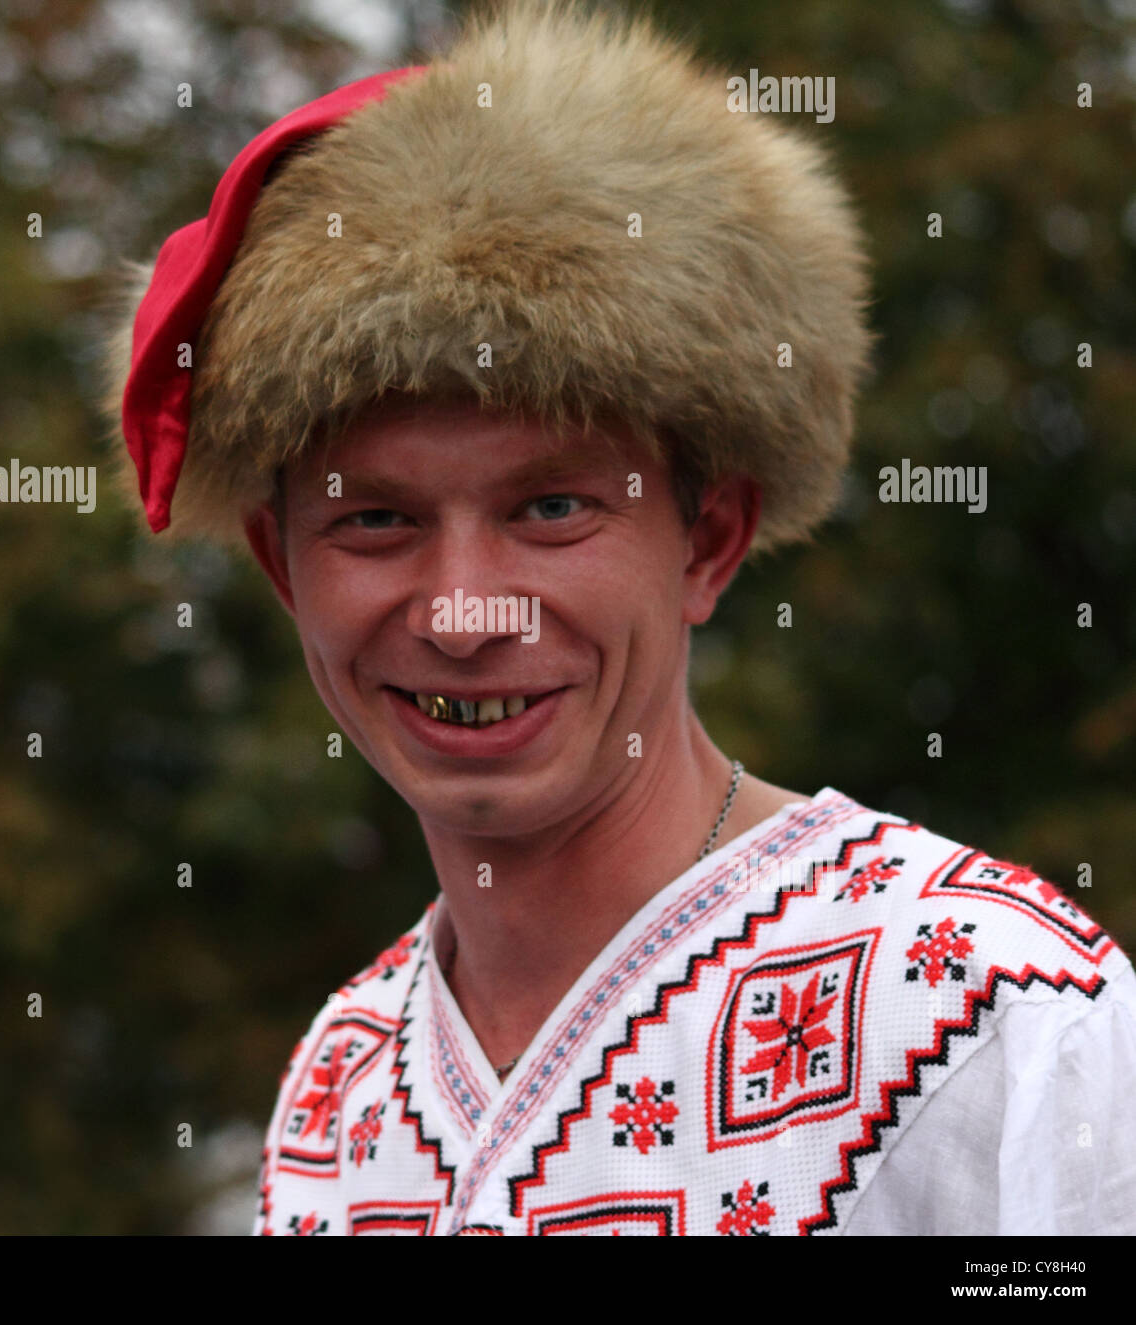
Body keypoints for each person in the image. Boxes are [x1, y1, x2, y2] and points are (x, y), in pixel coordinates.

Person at [104, 0, 1136, 1235]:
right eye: (374, 521)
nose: (464, 610)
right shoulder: (335, 1085)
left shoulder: (990, 1007)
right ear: (283, 567)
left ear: (706, 540)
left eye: (550, 507)